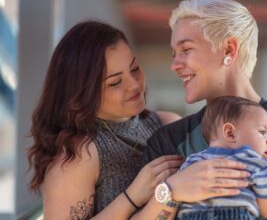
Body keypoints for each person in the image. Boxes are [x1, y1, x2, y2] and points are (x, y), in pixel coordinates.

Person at [133, 0, 267, 220]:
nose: (175, 65)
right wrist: (170, 191)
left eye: (186, 49)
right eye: (173, 53)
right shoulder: (168, 141)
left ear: (228, 49)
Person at [27, 20, 183, 219]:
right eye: (115, 82)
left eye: (134, 68)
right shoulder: (79, 155)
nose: (134, 84)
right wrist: (131, 197)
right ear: (83, 93)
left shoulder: (167, 123)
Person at [176, 96, 267, 220]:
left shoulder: (192, 161)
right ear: (230, 133)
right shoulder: (256, 163)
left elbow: (177, 196)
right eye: (262, 132)